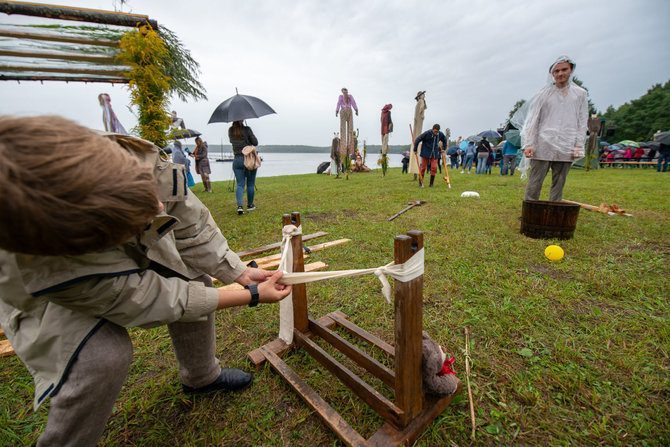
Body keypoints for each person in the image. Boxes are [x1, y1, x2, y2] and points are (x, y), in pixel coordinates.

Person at [0, 116, 292, 446]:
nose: (158, 207)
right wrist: (252, 295)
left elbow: (188, 220)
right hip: (42, 287)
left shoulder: (131, 156)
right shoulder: (45, 263)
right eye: (140, 214)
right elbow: (150, 299)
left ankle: (201, 377)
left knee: (189, 271)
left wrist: (236, 272)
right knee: (99, 358)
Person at [521, 55, 588, 202]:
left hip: (567, 144)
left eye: (564, 70)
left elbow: (582, 122)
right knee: (535, 182)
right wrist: (529, 144)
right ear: (552, 74)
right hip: (543, 143)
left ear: (571, 71)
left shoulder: (580, 95)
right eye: (556, 71)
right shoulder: (543, 95)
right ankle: (530, 212)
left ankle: (553, 212)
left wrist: (578, 145)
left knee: (559, 182)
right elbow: (533, 120)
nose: (560, 74)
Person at [229, 120, 259, 214]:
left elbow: (232, 140)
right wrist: (248, 133)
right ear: (242, 119)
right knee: (250, 183)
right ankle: (250, 205)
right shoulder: (247, 129)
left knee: (240, 184)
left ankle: (240, 207)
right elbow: (255, 142)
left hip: (237, 159)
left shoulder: (230, 130)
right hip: (248, 158)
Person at [335, 88, 358, 159]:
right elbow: (339, 103)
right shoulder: (345, 97)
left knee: (348, 129)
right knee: (346, 129)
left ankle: (349, 150)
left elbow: (353, 102)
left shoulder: (347, 96)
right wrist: (356, 110)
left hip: (345, 111)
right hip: (347, 111)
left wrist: (356, 109)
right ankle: (344, 149)